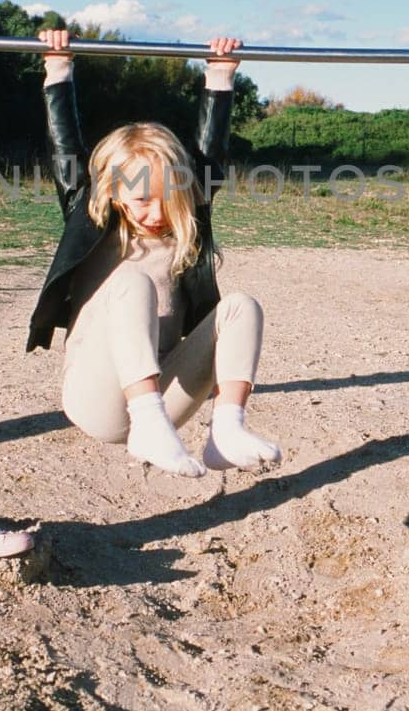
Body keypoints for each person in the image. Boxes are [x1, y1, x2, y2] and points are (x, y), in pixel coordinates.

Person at [24, 28, 281, 478]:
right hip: (98, 397)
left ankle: (226, 430)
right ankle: (145, 421)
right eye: (141, 199)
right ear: (115, 193)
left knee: (241, 308)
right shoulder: (91, 214)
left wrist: (219, 76)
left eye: (166, 198)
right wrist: (58, 66)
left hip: (166, 399)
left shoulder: (190, 216)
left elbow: (209, 151)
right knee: (132, 282)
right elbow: (63, 145)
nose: (155, 212)